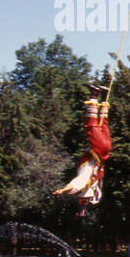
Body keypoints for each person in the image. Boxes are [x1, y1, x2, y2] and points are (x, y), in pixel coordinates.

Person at [53, 85, 112, 215]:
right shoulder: (85, 180)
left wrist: (83, 208)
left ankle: (103, 96)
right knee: (90, 125)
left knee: (102, 124)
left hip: (105, 150)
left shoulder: (95, 184)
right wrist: (63, 191)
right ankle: (94, 94)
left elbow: (92, 197)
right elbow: (74, 186)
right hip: (99, 148)